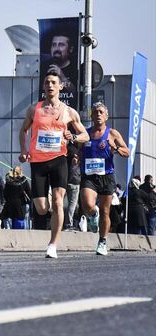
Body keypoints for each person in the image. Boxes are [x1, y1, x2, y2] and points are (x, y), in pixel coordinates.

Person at [19, 68, 89, 258]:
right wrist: (24, 151)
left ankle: (53, 245)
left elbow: (85, 135)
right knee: (42, 209)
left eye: (53, 83)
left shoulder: (69, 112)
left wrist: (72, 136)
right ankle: (50, 207)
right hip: (38, 163)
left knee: (59, 203)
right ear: (43, 87)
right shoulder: (35, 109)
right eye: (47, 82)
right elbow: (23, 131)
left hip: (59, 160)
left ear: (60, 86)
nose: (50, 85)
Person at [78, 102, 130, 255]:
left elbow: (127, 152)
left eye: (101, 112)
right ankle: (93, 214)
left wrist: (116, 148)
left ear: (106, 116)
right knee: (87, 204)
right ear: (91, 116)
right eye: (95, 112)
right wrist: (76, 158)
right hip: (89, 176)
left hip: (106, 176)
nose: (98, 114)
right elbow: (79, 152)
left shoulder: (112, 133)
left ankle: (102, 241)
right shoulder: (86, 133)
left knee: (105, 211)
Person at [41, 32, 77, 107]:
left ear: (70, 49)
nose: (57, 48)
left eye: (61, 45)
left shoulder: (76, 69)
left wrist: (62, 77)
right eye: (54, 45)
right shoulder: (42, 67)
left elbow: (75, 93)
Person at [64, 142, 81, 230]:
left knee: (61, 204)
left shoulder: (65, 153)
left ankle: (60, 223)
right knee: (72, 205)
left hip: (65, 181)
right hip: (74, 181)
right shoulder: (75, 155)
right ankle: (68, 224)